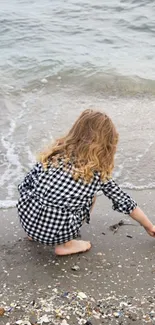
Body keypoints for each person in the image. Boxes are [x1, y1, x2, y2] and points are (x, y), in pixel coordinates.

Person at [17, 109, 155, 255]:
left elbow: (26, 184)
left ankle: (34, 234)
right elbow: (125, 202)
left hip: (27, 220)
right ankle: (66, 245)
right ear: (106, 144)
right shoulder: (96, 174)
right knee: (91, 196)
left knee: (41, 193)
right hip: (56, 233)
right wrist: (149, 226)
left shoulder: (54, 155)